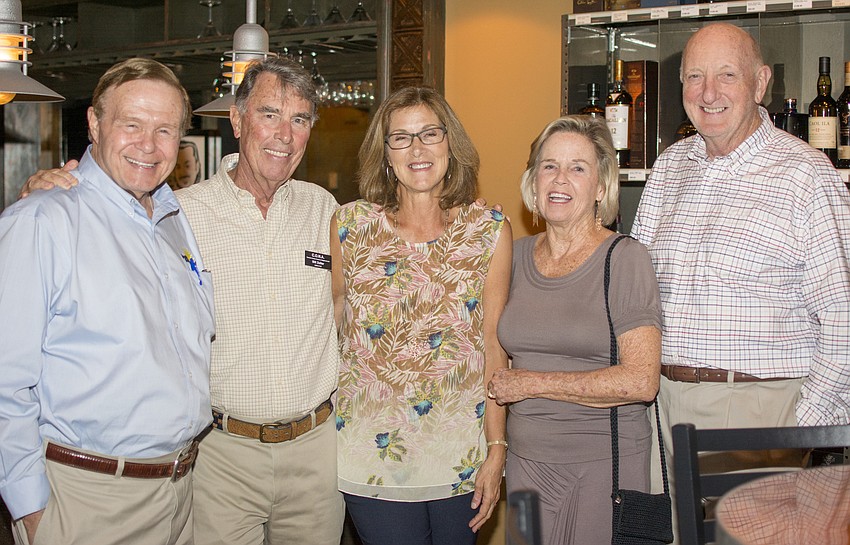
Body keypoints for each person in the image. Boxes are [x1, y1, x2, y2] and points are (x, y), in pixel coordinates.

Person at [20, 57, 345, 545]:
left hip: (317, 453)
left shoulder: (326, 210)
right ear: (236, 120)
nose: (284, 134)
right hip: (220, 457)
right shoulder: (179, 214)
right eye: (269, 114)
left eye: (299, 119)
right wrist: (47, 190)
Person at [631, 20, 850, 531]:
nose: (708, 93)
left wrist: (798, 431)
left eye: (727, 75)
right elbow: (635, 291)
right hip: (660, 406)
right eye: (694, 76)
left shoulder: (806, 174)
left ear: (760, 83)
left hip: (758, 414)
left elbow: (844, 319)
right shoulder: (669, 168)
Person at [0, 58, 214, 545]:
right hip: (87, 500)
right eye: (131, 124)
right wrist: (32, 510)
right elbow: (4, 382)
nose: (148, 145)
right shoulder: (43, 221)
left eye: (165, 130)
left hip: (180, 495)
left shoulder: (174, 220)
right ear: (95, 124)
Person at [334, 87, 512, 545]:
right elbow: (333, 330)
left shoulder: (488, 230)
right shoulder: (350, 226)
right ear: (385, 153)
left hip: (460, 453)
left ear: (450, 144)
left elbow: (495, 347)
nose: (417, 149)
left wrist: (497, 449)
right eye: (402, 138)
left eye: (430, 133)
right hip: (372, 453)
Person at [489, 115, 662, 545]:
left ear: (601, 187)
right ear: (532, 181)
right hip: (527, 465)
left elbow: (642, 380)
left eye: (577, 167)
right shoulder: (514, 255)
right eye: (548, 165)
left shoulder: (624, 259)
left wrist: (532, 383)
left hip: (600, 465)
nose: (559, 178)